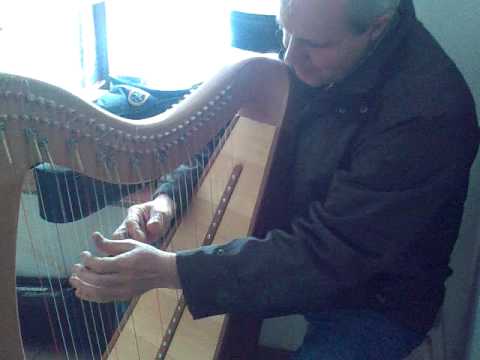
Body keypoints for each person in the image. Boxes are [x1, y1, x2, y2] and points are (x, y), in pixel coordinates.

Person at [69, 0, 479, 358]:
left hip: (377, 297)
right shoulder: (309, 35)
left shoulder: (427, 115)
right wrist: (166, 199)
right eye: (285, 31)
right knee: (147, 299)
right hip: (290, 248)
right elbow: (222, 129)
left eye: (312, 45)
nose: (288, 57)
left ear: (378, 27)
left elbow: (331, 256)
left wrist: (171, 270)